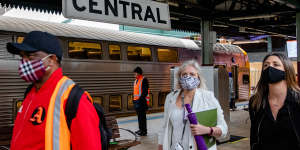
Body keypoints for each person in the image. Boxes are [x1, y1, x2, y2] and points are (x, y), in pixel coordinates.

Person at [7, 31, 101, 150]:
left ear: (52, 59)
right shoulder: (30, 92)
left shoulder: (73, 98)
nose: (24, 62)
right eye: (22, 57)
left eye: (30, 56)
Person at [158, 60, 228, 150]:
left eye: (192, 74)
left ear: (198, 78)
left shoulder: (208, 97)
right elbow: (164, 126)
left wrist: (207, 130)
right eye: (184, 74)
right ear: (179, 78)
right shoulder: (171, 98)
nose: (188, 77)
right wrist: (160, 145)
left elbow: (224, 129)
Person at [249, 53, 300, 150]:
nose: (269, 68)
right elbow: (254, 136)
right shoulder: (256, 102)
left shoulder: (297, 100)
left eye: (275, 64)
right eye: (266, 65)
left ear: (287, 70)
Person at [133, 66, 149, 136]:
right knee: (139, 117)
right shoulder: (136, 80)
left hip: (142, 102)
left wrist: (140, 100)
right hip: (136, 102)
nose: (134, 75)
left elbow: (144, 92)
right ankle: (140, 129)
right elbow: (135, 92)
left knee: (142, 117)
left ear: (139, 73)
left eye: (135, 73)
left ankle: (144, 131)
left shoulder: (144, 80)